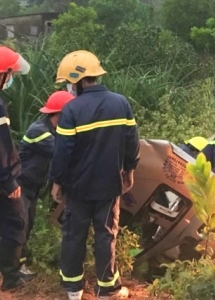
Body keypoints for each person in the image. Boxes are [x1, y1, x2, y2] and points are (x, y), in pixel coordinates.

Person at [49, 50, 140, 300]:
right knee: (106, 234)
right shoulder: (120, 103)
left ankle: (73, 289)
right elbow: (132, 142)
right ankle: (106, 290)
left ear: (76, 80)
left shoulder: (71, 110)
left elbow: (63, 151)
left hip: (77, 187)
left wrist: (56, 181)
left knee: (73, 235)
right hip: (110, 185)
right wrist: (130, 169)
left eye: (68, 81)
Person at [17, 91, 75, 275]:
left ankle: (18, 266)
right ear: (60, 114)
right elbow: (61, 154)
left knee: (27, 225)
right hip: (19, 186)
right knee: (20, 226)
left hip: (31, 188)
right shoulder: (39, 131)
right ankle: (12, 270)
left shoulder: (54, 131)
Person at [0, 46, 34, 291]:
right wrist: (9, 180)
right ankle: (11, 277)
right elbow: (1, 147)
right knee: (16, 220)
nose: (10, 79)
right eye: (8, 75)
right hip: (3, 178)